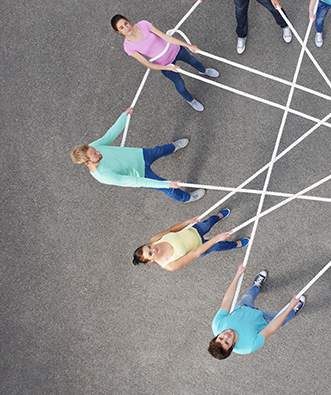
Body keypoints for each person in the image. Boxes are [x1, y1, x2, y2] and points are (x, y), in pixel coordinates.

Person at [70, 107, 205, 203]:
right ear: (87, 162)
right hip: (140, 174)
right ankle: (187, 198)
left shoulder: (94, 147)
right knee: (167, 187)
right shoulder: (104, 176)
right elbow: (136, 182)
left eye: (95, 149)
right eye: (94, 155)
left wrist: (123, 117)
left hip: (138, 155)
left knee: (159, 150)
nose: (98, 152)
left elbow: (109, 135)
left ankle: (174, 147)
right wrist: (166, 184)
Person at [111, 14, 219, 112]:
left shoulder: (143, 25)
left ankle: (204, 71)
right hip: (165, 65)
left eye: (126, 23)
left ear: (128, 21)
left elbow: (166, 37)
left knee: (193, 60)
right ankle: (191, 101)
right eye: (121, 27)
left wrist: (188, 45)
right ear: (118, 32)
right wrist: (169, 68)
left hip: (176, 50)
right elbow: (147, 64)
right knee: (180, 85)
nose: (126, 27)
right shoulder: (128, 47)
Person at [209, 264, 305, 358]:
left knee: (249, 295)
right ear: (232, 347)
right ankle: (293, 310)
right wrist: (290, 307)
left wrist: (237, 275)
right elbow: (271, 328)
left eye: (220, 338)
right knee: (285, 317)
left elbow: (227, 301)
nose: (226, 336)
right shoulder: (249, 346)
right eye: (226, 342)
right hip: (264, 320)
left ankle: (256, 286)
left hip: (244, 307)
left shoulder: (217, 325)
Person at [132, 209, 248, 270]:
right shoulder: (169, 265)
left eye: (149, 247)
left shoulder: (155, 239)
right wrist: (216, 238)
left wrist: (187, 222)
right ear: (150, 261)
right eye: (150, 253)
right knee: (217, 245)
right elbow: (195, 252)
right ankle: (235, 244)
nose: (153, 248)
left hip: (193, 230)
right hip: (198, 247)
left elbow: (171, 230)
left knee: (208, 223)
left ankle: (218, 217)